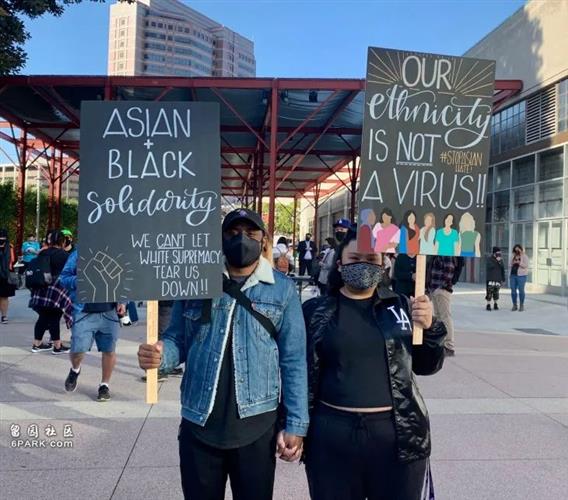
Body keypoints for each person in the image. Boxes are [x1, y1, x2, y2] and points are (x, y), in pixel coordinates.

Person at [138, 208, 309, 500]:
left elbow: (293, 360)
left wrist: (296, 423)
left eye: (250, 233)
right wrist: (160, 356)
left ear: (263, 240)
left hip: (257, 425)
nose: (241, 239)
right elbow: (177, 339)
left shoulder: (282, 290)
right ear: (220, 239)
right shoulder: (196, 282)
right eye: (232, 233)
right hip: (199, 422)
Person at [302, 227, 446, 500]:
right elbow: (297, 373)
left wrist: (430, 328)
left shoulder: (403, 307)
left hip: (398, 435)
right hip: (332, 436)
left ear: (383, 265)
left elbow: (427, 365)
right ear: (340, 263)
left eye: (371, 259)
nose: (363, 265)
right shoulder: (315, 311)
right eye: (355, 258)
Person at [59, 249, 126, 402]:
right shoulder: (78, 253)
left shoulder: (114, 251)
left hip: (109, 311)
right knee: (78, 349)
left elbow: (123, 278)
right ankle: (75, 370)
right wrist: (82, 280)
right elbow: (63, 279)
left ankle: (104, 385)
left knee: (109, 350)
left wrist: (123, 301)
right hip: (83, 311)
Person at [28, 230, 72, 354]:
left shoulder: (43, 252)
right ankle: (57, 346)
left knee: (43, 317)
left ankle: (37, 344)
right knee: (54, 317)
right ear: (62, 241)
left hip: (41, 287)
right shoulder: (64, 255)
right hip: (56, 289)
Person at [427, 256, 459, 356]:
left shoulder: (446, 254)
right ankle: (442, 343)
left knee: (445, 317)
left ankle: (449, 345)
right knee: (439, 318)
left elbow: (449, 272)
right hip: (435, 289)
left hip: (441, 290)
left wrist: (440, 287)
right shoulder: (437, 255)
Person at [0, 229, 17, 324]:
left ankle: (4, 316)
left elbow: (13, 260)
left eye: (3, 237)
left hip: (6, 275)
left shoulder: (10, 247)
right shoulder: (10, 246)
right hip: (5, 273)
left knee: (4, 296)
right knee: (4, 296)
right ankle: (4, 316)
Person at [510, 244, 529, 312]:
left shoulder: (524, 256)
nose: (517, 251)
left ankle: (521, 305)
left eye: (518, 249)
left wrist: (519, 263)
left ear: (521, 249)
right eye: (516, 249)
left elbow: (526, 265)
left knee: (521, 290)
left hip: (521, 276)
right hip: (513, 275)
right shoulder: (513, 256)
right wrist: (513, 263)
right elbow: (509, 265)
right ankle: (514, 305)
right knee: (513, 290)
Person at [485, 247, 505, 311]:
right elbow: (490, 266)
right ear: (494, 253)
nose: (499, 254)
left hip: (498, 278)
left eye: (499, 253)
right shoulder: (489, 259)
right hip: (490, 278)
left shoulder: (501, 259)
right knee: (489, 292)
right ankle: (488, 304)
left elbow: (502, 269)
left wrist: (503, 279)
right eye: (497, 253)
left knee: (496, 292)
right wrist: (496, 261)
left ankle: (495, 304)